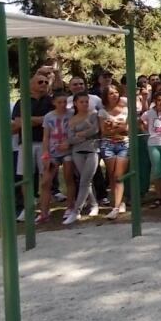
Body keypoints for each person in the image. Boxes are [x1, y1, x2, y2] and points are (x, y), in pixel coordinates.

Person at [11, 72, 54, 221]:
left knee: (46, 178)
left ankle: (44, 212)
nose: (43, 84)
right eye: (40, 82)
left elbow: (53, 120)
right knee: (26, 177)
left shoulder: (51, 101)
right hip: (26, 144)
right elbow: (18, 123)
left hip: (45, 144)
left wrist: (29, 120)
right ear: (31, 86)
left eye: (45, 82)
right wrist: (42, 119)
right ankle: (28, 209)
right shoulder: (22, 102)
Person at [38, 88, 75, 224]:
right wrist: (45, 154)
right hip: (53, 152)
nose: (63, 105)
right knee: (46, 182)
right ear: (54, 102)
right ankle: (44, 212)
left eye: (65, 102)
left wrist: (68, 143)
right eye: (59, 102)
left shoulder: (71, 114)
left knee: (68, 178)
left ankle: (70, 207)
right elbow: (46, 137)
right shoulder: (49, 117)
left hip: (68, 151)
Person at [66, 91, 100, 223]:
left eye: (87, 101)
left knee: (85, 180)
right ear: (75, 103)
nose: (85, 104)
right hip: (77, 152)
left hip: (92, 150)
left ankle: (76, 211)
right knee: (86, 181)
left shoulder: (93, 114)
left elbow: (95, 130)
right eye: (82, 102)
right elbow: (70, 139)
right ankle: (94, 204)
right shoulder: (72, 119)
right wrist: (84, 135)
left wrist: (80, 134)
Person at [99, 85, 130, 220]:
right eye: (111, 93)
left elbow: (128, 129)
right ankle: (118, 201)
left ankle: (116, 207)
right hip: (107, 145)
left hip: (124, 144)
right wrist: (119, 128)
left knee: (119, 175)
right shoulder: (102, 112)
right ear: (106, 96)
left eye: (116, 92)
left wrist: (114, 128)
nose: (114, 95)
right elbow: (104, 131)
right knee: (112, 175)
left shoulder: (126, 110)